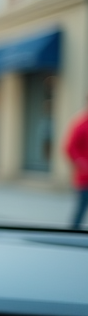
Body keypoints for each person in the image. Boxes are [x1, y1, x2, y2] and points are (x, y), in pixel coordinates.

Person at [67, 98, 88, 229]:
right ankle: (72, 234)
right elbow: (70, 148)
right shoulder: (80, 124)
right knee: (80, 209)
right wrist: (83, 164)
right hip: (85, 179)